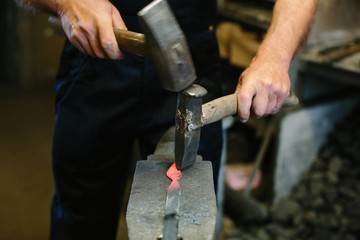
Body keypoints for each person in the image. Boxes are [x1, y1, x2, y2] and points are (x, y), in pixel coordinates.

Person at [16, 0, 318, 239]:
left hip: (193, 65)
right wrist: (69, 3)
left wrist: (275, 57)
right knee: (80, 218)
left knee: (189, 216)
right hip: (96, 61)